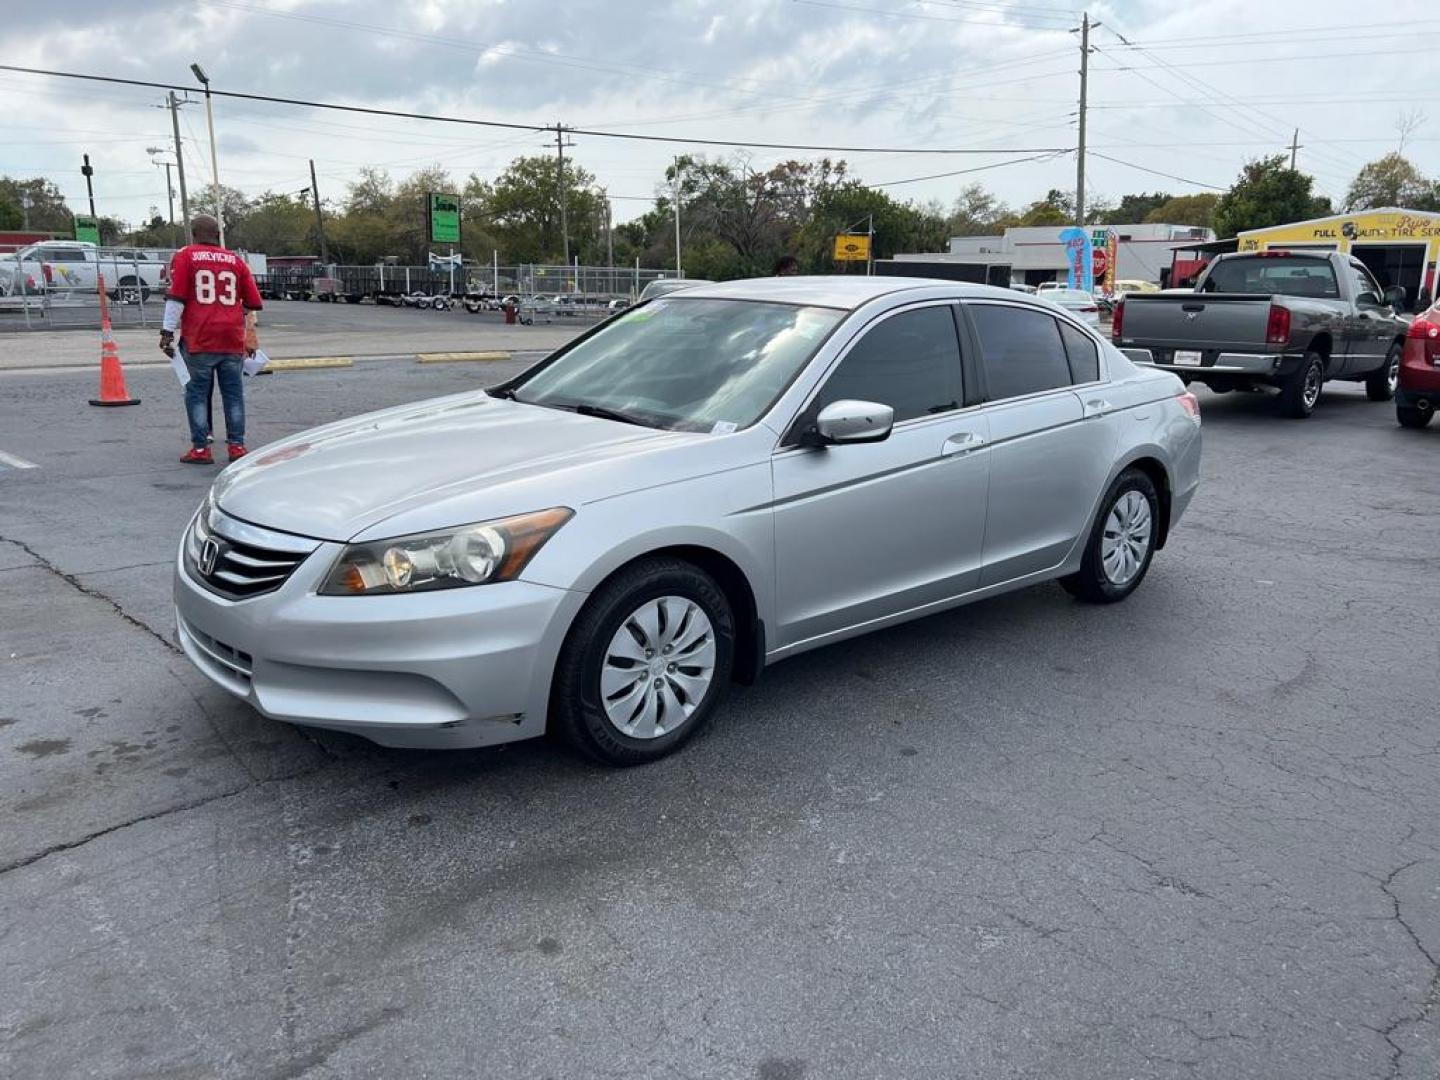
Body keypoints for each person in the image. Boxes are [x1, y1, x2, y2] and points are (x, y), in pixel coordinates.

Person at [159, 215, 263, 464]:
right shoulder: (235, 260)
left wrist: (166, 332)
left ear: (193, 234)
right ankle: (237, 446)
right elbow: (252, 302)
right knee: (233, 393)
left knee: (196, 393)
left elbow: (177, 298)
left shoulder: (186, 256)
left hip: (199, 338)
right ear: (218, 234)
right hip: (230, 338)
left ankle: (200, 448)